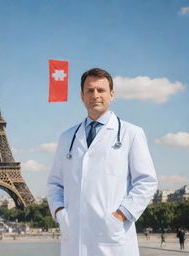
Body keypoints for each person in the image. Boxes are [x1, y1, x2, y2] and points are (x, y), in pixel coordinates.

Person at [47, 68, 158, 256]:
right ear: (82, 96)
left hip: (113, 238)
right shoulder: (67, 137)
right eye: (90, 90)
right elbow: (55, 183)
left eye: (101, 90)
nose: (95, 95)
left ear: (112, 95)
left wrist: (120, 216)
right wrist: (60, 212)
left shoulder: (131, 133)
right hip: (75, 238)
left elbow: (147, 181)